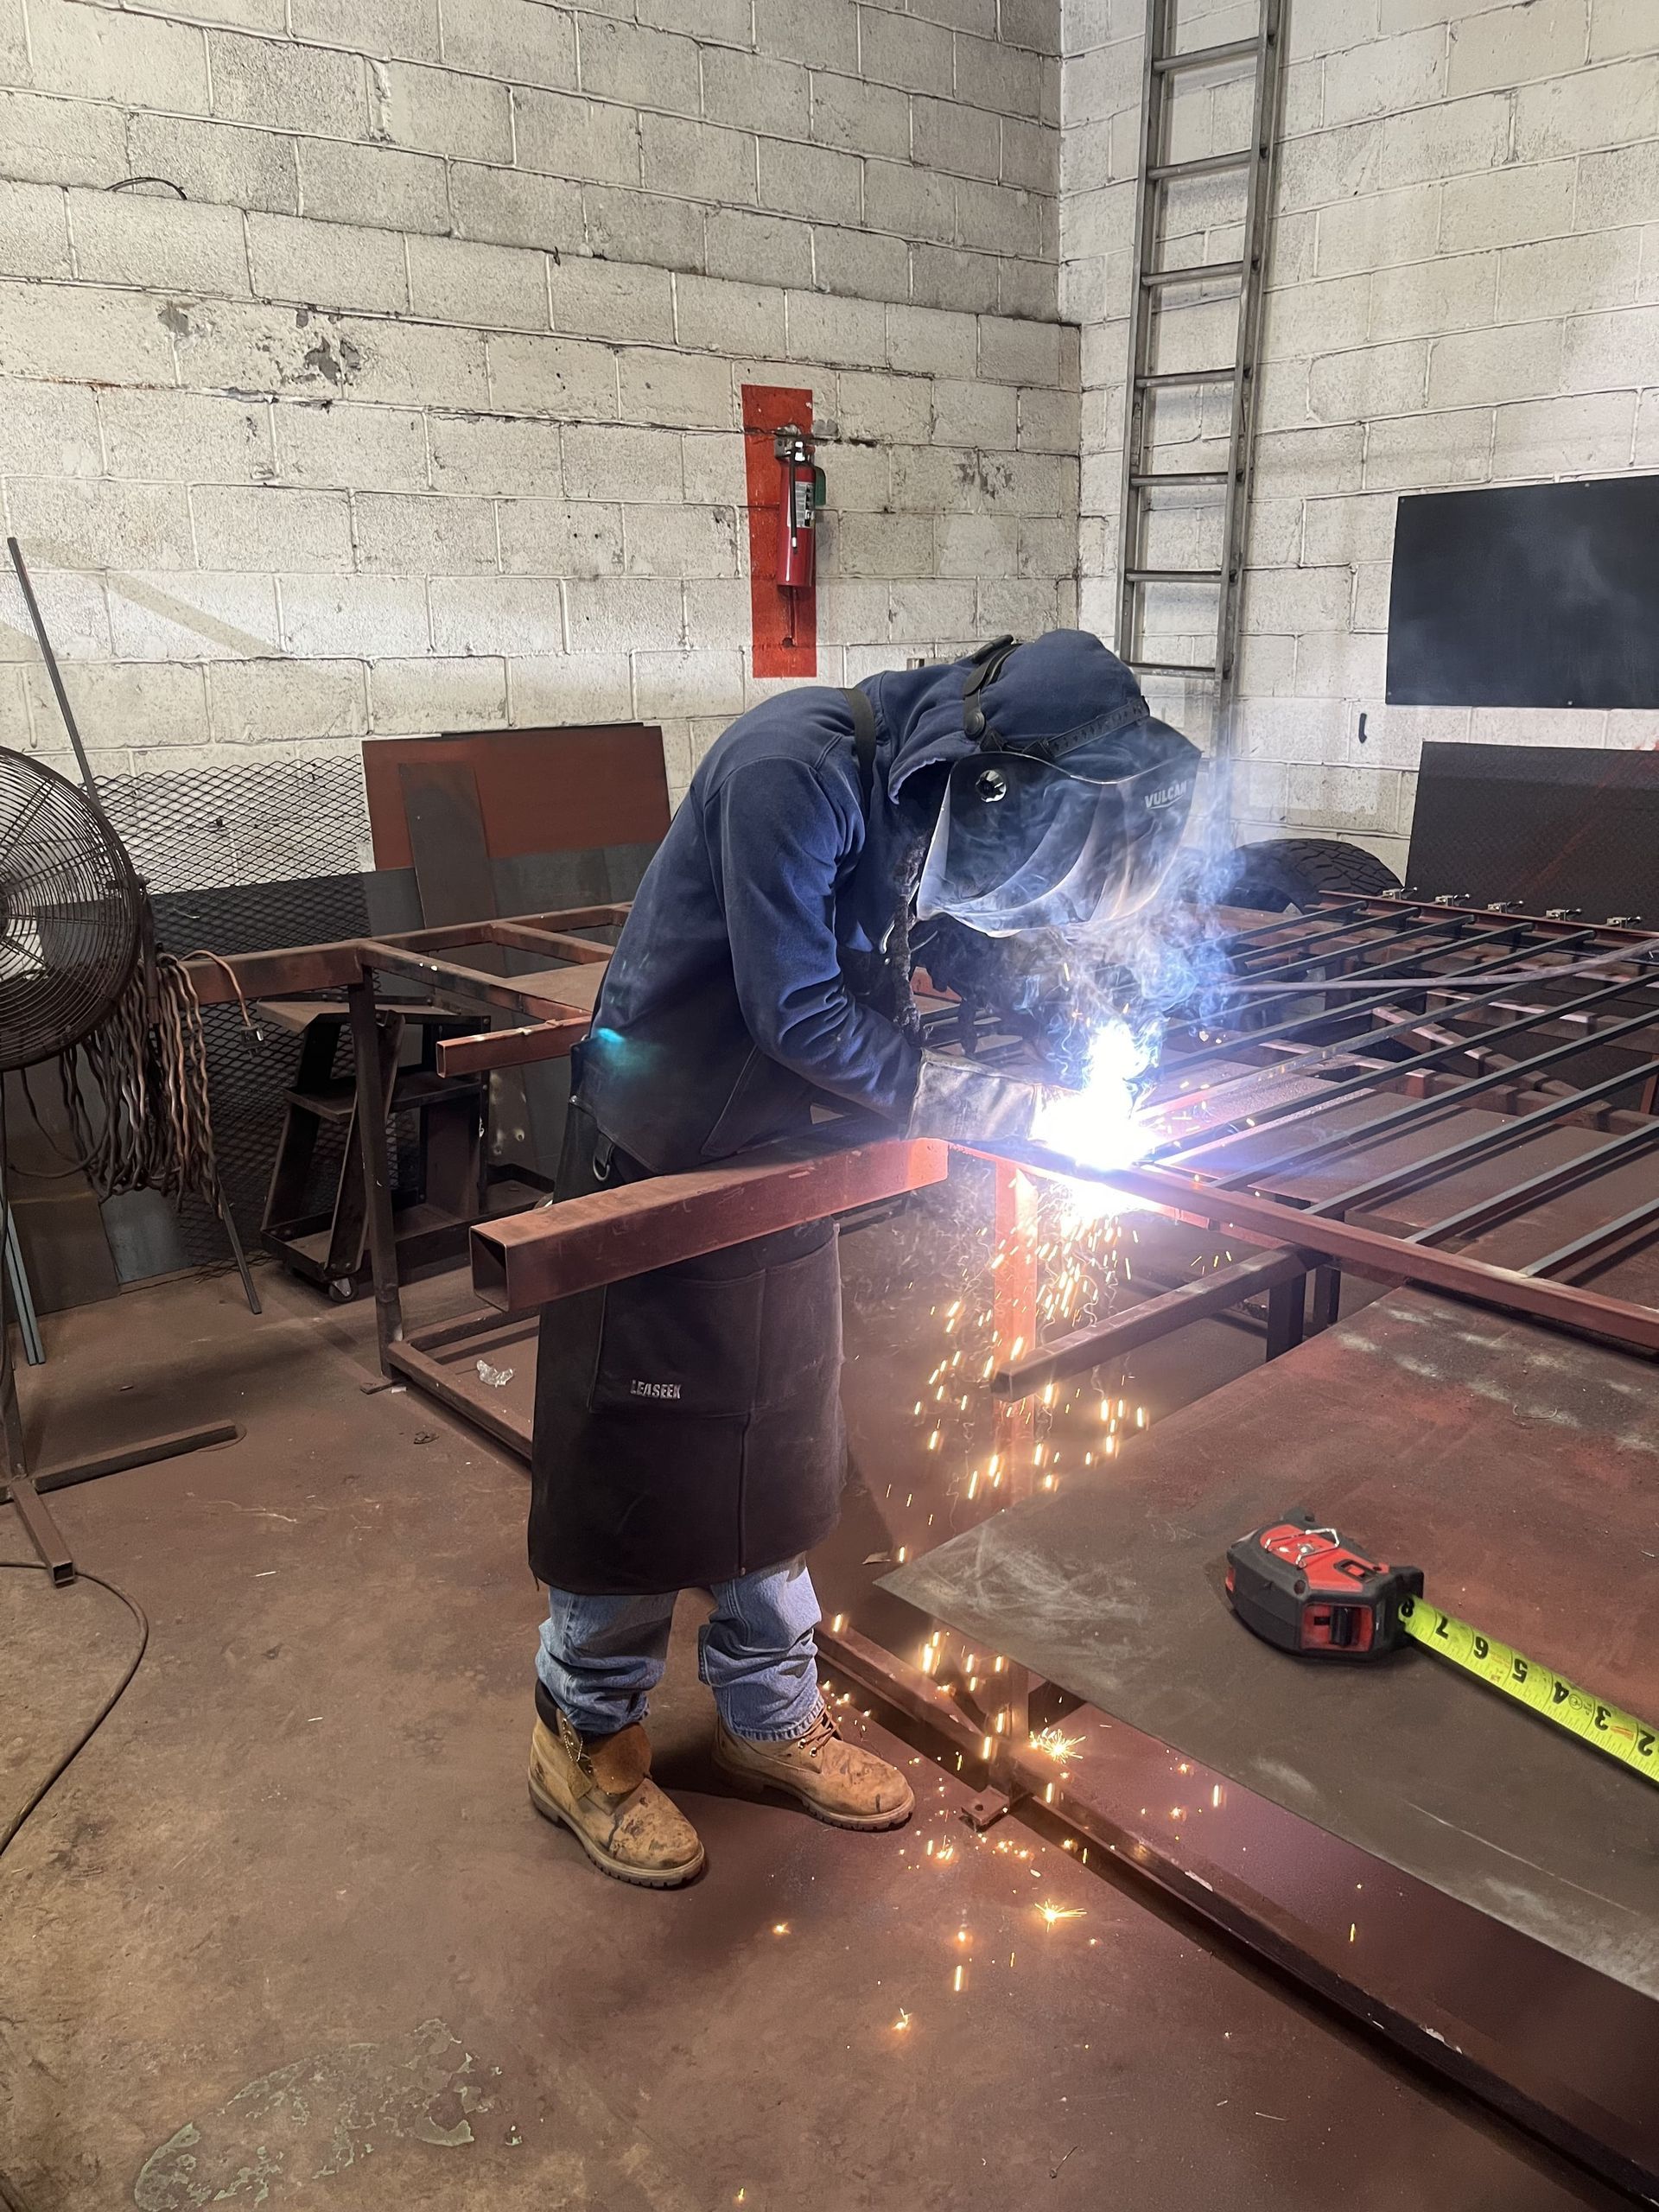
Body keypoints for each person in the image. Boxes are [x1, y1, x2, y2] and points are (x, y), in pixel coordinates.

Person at [526, 629, 1199, 1885]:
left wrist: (1071, 1036)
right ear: (983, 784)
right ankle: (584, 1736)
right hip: (663, 1153)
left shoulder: (913, 797)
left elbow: (941, 935)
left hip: (783, 1164)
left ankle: (767, 1721)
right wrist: (989, 1107)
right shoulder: (795, 770)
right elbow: (800, 1011)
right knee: (640, 1467)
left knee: (774, 1452)